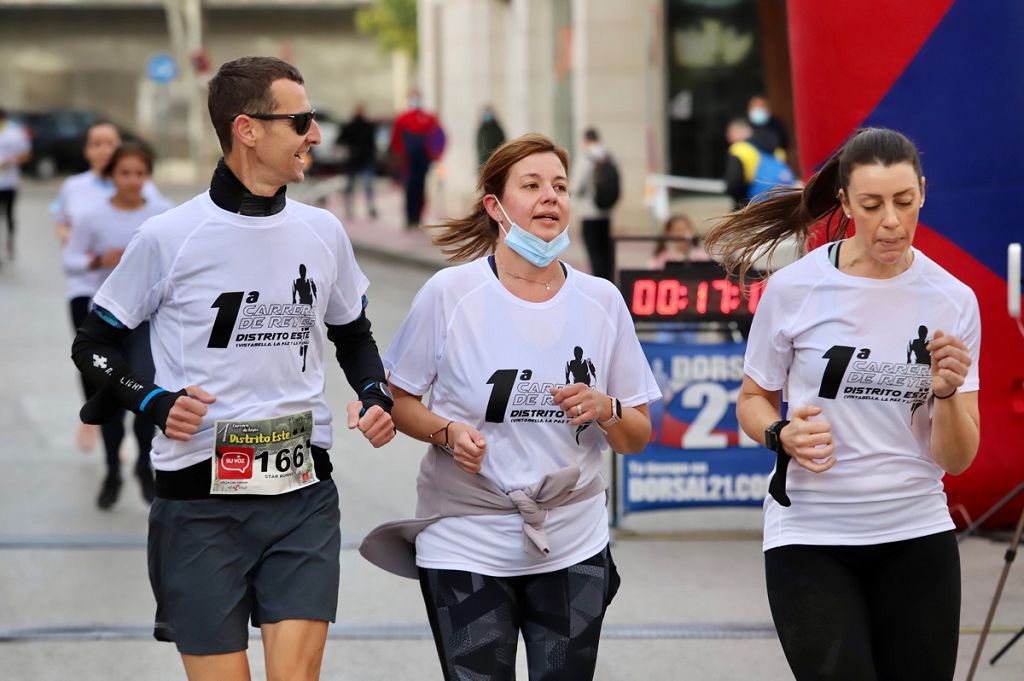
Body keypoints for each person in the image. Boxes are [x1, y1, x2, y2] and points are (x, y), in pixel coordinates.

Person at [70, 56, 396, 680]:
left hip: (302, 493)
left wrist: (375, 394)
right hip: (199, 504)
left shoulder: (323, 231)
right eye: (301, 120)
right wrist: (154, 401)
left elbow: (352, 333)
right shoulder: (171, 236)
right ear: (248, 129)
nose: (316, 135)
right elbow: (94, 344)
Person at [360, 133, 662, 681]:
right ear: (496, 207)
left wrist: (606, 407)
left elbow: (638, 434)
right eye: (532, 185)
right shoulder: (450, 294)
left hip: (572, 540)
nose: (551, 197)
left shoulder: (601, 301)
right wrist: (447, 432)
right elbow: (401, 400)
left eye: (560, 186)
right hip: (465, 538)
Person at [705, 127, 981, 680]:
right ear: (845, 202)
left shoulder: (954, 299)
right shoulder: (794, 289)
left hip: (915, 534)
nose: (892, 221)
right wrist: (780, 433)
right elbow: (753, 399)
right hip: (811, 535)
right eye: (873, 204)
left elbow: (956, 458)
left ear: (922, 192)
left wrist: (947, 393)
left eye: (904, 202)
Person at [63, 142, 173, 508]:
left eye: (140, 173)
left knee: (143, 392)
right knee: (109, 397)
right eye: (125, 173)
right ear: (112, 176)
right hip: (106, 321)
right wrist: (98, 260)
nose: (133, 180)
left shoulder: (162, 215)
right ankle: (112, 471)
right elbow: (71, 261)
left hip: (146, 320)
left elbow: (178, 263)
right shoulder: (93, 217)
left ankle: (144, 467)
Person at [390, 90, 445, 229]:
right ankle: (410, 219)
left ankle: (418, 218)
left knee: (420, 189)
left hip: (423, 161)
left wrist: (436, 155)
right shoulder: (402, 119)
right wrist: (398, 157)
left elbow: (439, 136)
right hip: (408, 162)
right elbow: (396, 140)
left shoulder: (429, 118)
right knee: (409, 189)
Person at [571, 127, 616, 281]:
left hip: (589, 211)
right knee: (606, 248)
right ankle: (610, 279)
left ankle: (599, 280)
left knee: (594, 250)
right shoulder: (609, 155)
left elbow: (577, 185)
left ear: (586, 140)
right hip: (606, 210)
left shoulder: (586, 157)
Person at [724, 118, 797, 210]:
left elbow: (733, 186)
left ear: (740, 131)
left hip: (753, 209)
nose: (728, 137)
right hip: (782, 207)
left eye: (730, 133)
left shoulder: (740, 149)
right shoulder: (777, 150)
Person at [0, 108, 31, 261]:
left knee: (9, 215)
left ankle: (10, 243)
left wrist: (11, 161)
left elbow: (26, 154)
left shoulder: (15, 133)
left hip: (9, 182)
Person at [338, 103, 377, 219]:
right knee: (352, 186)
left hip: (364, 160)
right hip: (354, 160)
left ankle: (369, 208)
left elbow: (372, 144)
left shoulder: (368, 126)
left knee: (367, 185)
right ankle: (350, 209)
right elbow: (340, 140)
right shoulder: (350, 126)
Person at [747, 95, 789, 159]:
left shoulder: (777, 124)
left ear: (768, 108)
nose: (759, 110)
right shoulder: (746, 126)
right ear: (749, 109)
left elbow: (784, 143)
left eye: (762, 107)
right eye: (756, 107)